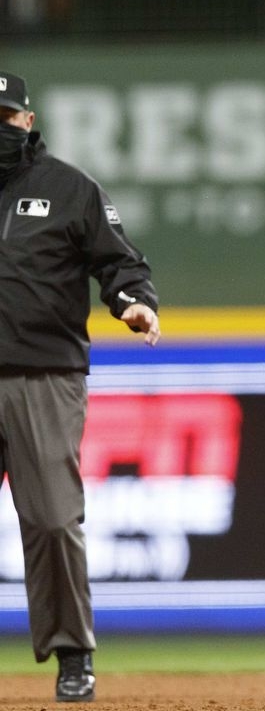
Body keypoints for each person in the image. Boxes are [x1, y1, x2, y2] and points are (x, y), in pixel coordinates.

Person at [0, 69, 161, 703]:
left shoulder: (69, 188)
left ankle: (73, 653)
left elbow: (119, 261)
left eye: (6, 117)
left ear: (28, 121)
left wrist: (134, 302)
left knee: (51, 519)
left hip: (42, 375)